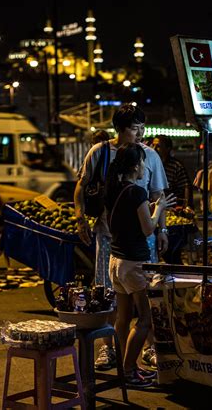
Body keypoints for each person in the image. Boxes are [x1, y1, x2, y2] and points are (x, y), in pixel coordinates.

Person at [74, 104, 168, 370]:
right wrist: (80, 218)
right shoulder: (100, 152)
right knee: (110, 296)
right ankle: (111, 350)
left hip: (142, 240)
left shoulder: (150, 155)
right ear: (120, 129)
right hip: (109, 238)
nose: (141, 133)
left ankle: (147, 347)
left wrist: (163, 230)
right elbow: (81, 186)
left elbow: (157, 194)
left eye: (142, 127)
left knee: (143, 297)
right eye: (135, 128)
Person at [104, 143, 175, 388]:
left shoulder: (112, 188)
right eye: (143, 162)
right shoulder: (136, 192)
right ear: (136, 166)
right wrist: (159, 209)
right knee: (144, 319)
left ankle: (128, 368)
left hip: (115, 261)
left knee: (123, 317)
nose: (146, 167)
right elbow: (148, 228)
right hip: (134, 263)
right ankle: (129, 370)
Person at [152, 135, 192, 207]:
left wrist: (185, 206)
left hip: (171, 207)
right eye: (153, 145)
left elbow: (186, 187)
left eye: (158, 146)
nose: (154, 149)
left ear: (168, 148)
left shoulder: (176, 166)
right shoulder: (151, 164)